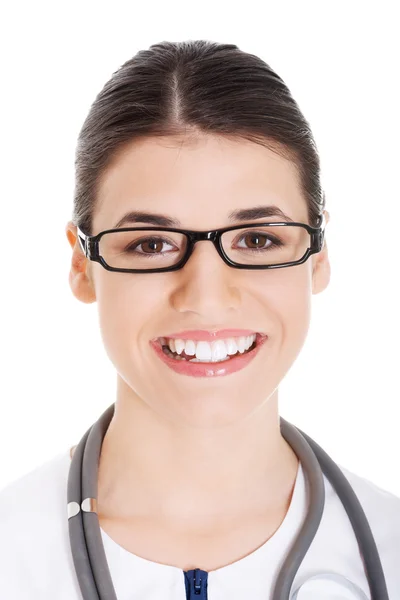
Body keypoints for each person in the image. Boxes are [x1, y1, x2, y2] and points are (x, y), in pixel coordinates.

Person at [0, 39, 399, 600]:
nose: (207, 299)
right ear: (81, 264)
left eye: (258, 239)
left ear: (320, 255)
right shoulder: (10, 554)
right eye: (151, 244)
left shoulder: (390, 549)